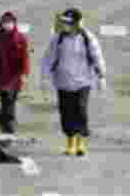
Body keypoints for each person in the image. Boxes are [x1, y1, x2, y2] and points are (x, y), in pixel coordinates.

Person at [41, 8, 106, 158]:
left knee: (81, 110)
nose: (65, 26)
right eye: (64, 23)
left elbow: (97, 56)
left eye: (68, 23)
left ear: (77, 24)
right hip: (63, 82)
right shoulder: (58, 39)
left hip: (83, 81)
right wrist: (44, 78)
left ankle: (80, 143)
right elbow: (48, 59)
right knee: (66, 113)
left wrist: (101, 76)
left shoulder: (87, 39)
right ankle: (70, 143)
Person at [0, 11, 31, 135]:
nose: (7, 25)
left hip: (15, 76)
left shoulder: (21, 38)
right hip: (0, 75)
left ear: (14, 23)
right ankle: (9, 126)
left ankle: (4, 123)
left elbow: (25, 58)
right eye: (4, 22)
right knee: (6, 100)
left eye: (9, 22)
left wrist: (24, 74)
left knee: (11, 101)